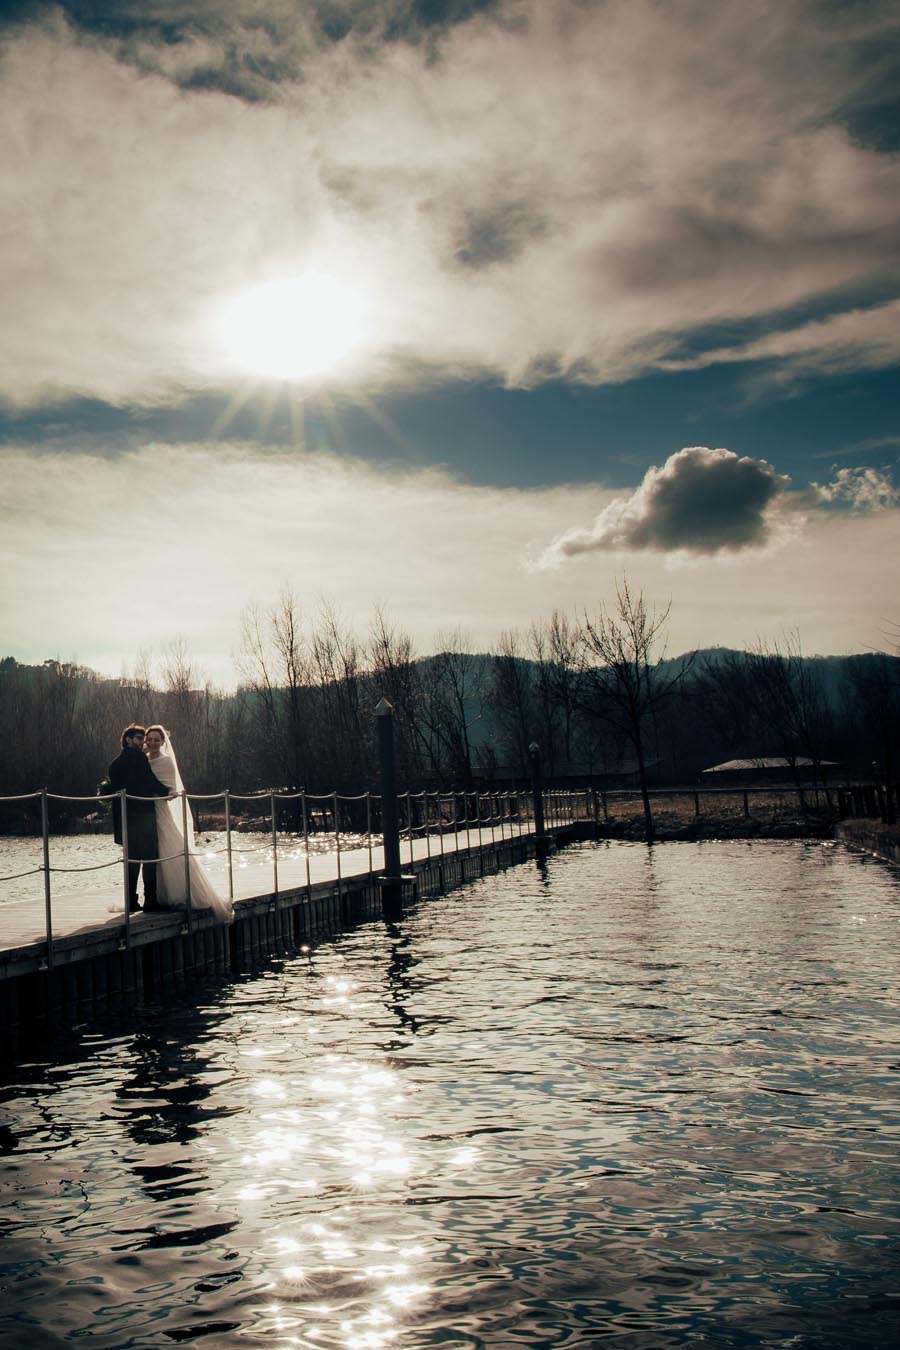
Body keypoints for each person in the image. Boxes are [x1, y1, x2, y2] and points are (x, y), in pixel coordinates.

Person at [143, 724, 233, 922]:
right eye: (149, 739)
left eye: (156, 739)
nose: (152, 743)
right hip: (145, 811)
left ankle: (184, 893)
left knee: (169, 847)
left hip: (159, 809)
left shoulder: (166, 762)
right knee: (153, 853)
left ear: (163, 742)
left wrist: (157, 793)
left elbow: (168, 789)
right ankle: (159, 895)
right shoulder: (143, 760)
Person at [108, 724, 173, 913]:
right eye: (139, 738)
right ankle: (150, 900)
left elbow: (114, 785)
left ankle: (131, 901)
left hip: (125, 816)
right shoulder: (138, 757)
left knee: (132, 859)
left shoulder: (116, 763)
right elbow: (148, 779)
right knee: (149, 858)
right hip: (143, 814)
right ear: (128, 740)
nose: (142, 742)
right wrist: (167, 791)